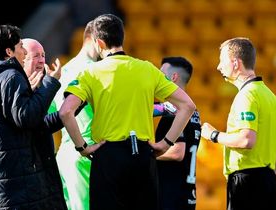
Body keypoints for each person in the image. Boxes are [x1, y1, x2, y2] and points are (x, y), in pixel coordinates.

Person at [59, 14, 196, 210]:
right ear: (122, 38)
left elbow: (65, 112)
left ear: (99, 43)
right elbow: (187, 106)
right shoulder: (147, 69)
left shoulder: (91, 72)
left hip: (108, 156)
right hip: (142, 156)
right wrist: (165, 144)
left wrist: (82, 147)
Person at [0, 24, 67, 210]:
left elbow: (17, 126)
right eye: (20, 47)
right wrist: (50, 84)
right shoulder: (10, 76)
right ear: (9, 51)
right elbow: (27, 117)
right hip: (17, 189)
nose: (24, 52)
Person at [200, 37, 276, 210]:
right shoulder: (272, 97)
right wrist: (269, 175)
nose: (218, 66)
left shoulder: (247, 96)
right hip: (267, 179)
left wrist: (213, 135)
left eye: (222, 60)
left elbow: (246, 140)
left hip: (246, 180)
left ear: (235, 63)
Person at [54, 20, 99, 210]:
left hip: (64, 156)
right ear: (98, 41)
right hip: (86, 153)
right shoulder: (95, 72)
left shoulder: (62, 72)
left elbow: (52, 116)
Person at [155, 57, 201, 210]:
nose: (157, 79)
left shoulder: (174, 110)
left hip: (171, 193)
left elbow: (177, 151)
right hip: (186, 192)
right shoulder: (193, 111)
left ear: (173, 77)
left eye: (161, 74)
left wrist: (144, 154)